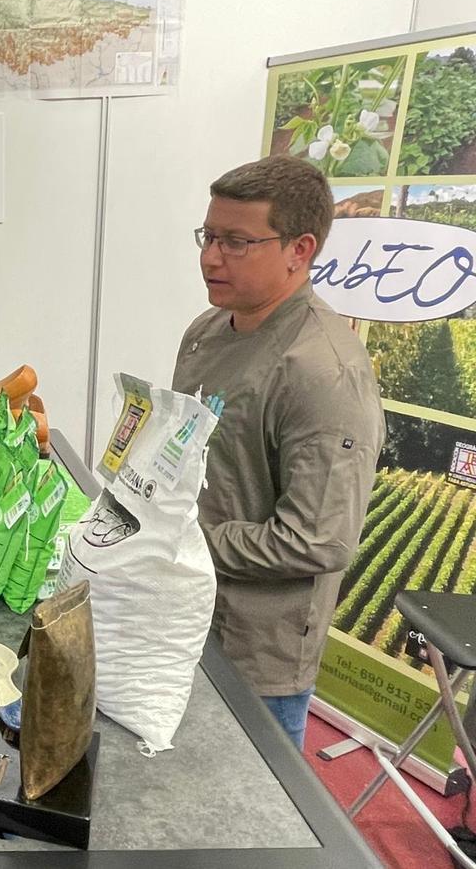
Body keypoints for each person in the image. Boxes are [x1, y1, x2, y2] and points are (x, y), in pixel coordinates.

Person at [171, 155, 384, 750]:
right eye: (209, 236)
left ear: (300, 249)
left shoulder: (322, 372)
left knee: (247, 825)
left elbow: (318, 540)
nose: (211, 257)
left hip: (257, 655)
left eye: (238, 242)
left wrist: (183, 544)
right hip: (182, 616)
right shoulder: (206, 332)